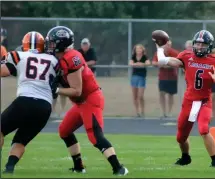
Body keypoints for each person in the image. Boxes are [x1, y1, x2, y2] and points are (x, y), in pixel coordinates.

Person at [45, 26, 128, 176]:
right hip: (80, 102)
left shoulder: (71, 58)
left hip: (90, 99)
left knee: (95, 137)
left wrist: (56, 89)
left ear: (61, 43)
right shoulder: (63, 58)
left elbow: (77, 90)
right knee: (64, 131)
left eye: (52, 43)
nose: (49, 46)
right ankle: (79, 167)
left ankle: (119, 168)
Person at [156, 30, 215, 167]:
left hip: (204, 101)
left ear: (209, 46)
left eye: (203, 45)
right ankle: (185, 157)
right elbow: (162, 61)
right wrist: (160, 48)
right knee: (181, 137)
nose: (199, 47)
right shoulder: (186, 56)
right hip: (189, 102)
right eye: (197, 44)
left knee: (203, 129)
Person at [1, 31, 58, 174]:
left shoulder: (18, 55)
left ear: (24, 44)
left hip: (24, 101)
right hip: (45, 107)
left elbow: (4, 72)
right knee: (20, 140)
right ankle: (9, 168)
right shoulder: (53, 60)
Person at [152, 41, 179, 118]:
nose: (167, 46)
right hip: (162, 77)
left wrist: (165, 64)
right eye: (166, 45)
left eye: (169, 45)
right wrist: (162, 64)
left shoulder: (174, 53)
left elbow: (176, 63)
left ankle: (169, 112)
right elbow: (154, 62)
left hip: (172, 77)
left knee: (171, 95)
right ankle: (164, 112)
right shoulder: (159, 53)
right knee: (162, 93)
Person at [129, 44, 150, 118]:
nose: (138, 50)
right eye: (137, 49)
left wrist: (141, 64)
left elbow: (148, 63)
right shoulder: (133, 57)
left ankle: (143, 111)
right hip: (134, 77)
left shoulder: (144, 57)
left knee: (140, 96)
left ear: (142, 50)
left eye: (140, 49)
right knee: (135, 96)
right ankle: (137, 112)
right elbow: (131, 63)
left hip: (142, 77)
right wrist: (138, 64)